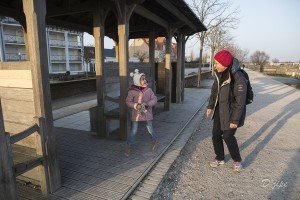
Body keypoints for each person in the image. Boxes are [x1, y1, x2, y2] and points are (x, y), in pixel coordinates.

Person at [206, 50, 247, 172]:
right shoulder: (218, 73)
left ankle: (237, 160)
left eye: (217, 63)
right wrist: (210, 106)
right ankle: (220, 158)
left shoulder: (238, 77)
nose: (214, 65)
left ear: (225, 63)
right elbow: (214, 92)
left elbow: (240, 101)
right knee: (216, 134)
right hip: (220, 109)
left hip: (232, 111)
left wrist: (235, 120)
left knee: (228, 136)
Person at [125, 69, 158, 156]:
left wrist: (148, 104)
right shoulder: (132, 91)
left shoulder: (149, 90)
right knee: (134, 131)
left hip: (147, 113)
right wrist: (136, 105)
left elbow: (154, 99)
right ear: (137, 81)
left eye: (144, 78)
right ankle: (128, 145)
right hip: (137, 114)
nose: (145, 80)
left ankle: (154, 141)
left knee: (150, 129)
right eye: (142, 79)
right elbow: (128, 102)